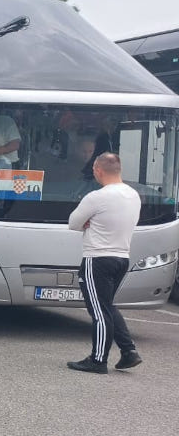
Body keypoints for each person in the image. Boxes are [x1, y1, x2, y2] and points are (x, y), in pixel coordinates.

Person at [66, 153, 143, 374]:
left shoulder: (96, 197)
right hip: (122, 257)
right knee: (107, 305)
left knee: (98, 312)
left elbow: (73, 223)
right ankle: (129, 352)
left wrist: (88, 223)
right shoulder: (133, 195)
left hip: (97, 258)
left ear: (98, 170)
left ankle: (98, 360)